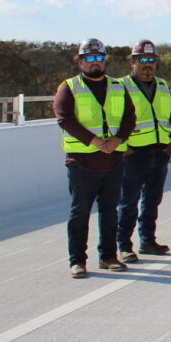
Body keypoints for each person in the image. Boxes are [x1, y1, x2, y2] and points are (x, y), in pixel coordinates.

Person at [55, 39, 136, 278]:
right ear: (80, 61)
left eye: (98, 58)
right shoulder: (69, 87)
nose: (94, 63)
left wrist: (118, 140)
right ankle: (77, 260)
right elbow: (64, 118)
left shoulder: (118, 86)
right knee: (80, 212)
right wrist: (96, 141)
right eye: (89, 59)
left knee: (110, 211)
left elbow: (129, 118)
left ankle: (108, 257)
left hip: (113, 161)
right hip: (82, 162)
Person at [116, 40, 171, 263]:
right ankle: (124, 245)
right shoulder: (121, 86)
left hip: (159, 153)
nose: (147, 65)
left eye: (151, 60)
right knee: (128, 201)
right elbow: (115, 121)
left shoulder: (162, 85)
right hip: (134, 155)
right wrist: (124, 148)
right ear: (133, 62)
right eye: (142, 60)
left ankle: (148, 241)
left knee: (153, 200)